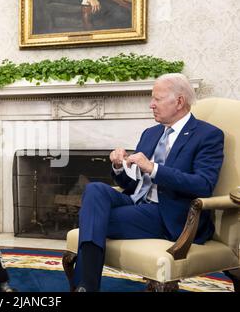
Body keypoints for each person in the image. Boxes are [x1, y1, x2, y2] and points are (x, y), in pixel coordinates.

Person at [73, 73, 224, 291]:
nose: (151, 105)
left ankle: (85, 286)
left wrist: (154, 168)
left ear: (179, 101)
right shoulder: (151, 133)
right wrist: (118, 166)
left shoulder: (207, 135)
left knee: (91, 217)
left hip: (169, 214)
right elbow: (133, 184)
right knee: (94, 189)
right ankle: (86, 286)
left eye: (157, 99)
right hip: (138, 203)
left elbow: (203, 184)